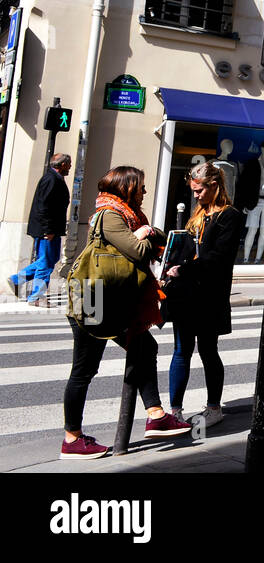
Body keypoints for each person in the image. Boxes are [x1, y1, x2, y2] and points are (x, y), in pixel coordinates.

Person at [59, 166, 192, 459]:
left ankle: (155, 414)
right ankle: (72, 438)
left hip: (109, 297)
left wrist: (149, 232)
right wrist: (145, 233)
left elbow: (153, 239)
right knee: (84, 368)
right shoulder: (109, 214)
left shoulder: (127, 215)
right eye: (141, 187)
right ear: (127, 187)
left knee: (144, 346)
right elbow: (140, 250)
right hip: (92, 297)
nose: (144, 192)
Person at [163, 162, 240, 426]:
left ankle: (214, 407)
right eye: (193, 191)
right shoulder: (198, 214)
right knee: (181, 351)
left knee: (208, 350)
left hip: (210, 295)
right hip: (186, 294)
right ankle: (175, 411)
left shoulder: (229, 216)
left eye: (199, 190)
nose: (195, 195)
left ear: (214, 186)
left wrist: (183, 268)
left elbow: (217, 259)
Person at [8, 153, 71, 305]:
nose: (70, 167)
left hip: (52, 229)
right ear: (62, 165)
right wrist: (47, 230)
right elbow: (44, 206)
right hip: (47, 230)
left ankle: (18, 279)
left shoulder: (55, 179)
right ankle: (37, 296)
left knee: (51, 258)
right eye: (68, 164)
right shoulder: (51, 179)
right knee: (45, 262)